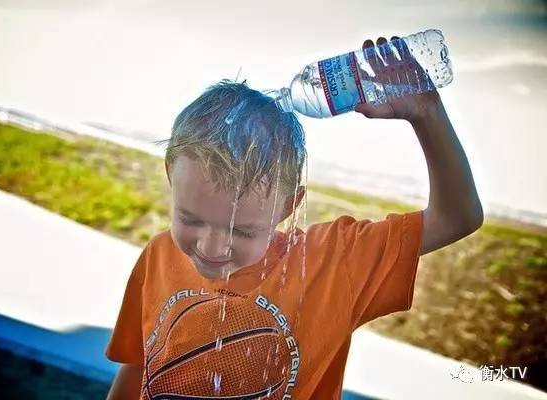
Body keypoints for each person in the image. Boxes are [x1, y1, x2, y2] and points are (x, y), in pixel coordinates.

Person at [104, 36, 484, 399]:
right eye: (191, 219)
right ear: (171, 175)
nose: (211, 247)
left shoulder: (333, 264)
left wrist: (426, 114)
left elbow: (458, 217)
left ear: (289, 205)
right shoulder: (158, 255)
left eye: (243, 230)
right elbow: (138, 368)